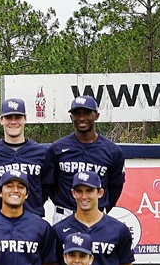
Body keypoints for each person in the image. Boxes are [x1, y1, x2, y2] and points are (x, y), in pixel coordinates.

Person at [48, 96, 126, 225]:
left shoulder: (112, 151)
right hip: (65, 214)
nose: (82, 118)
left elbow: (115, 186)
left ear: (96, 115)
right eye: (77, 114)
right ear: (71, 117)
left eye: (86, 113)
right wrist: (62, 203)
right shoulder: (57, 148)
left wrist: (102, 207)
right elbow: (49, 184)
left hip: (96, 215)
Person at [0, 99, 51, 217]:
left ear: (25, 119)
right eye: (8, 117)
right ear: (1, 120)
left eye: (18, 117)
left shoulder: (41, 152)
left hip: (33, 221)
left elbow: (47, 189)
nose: (13, 122)